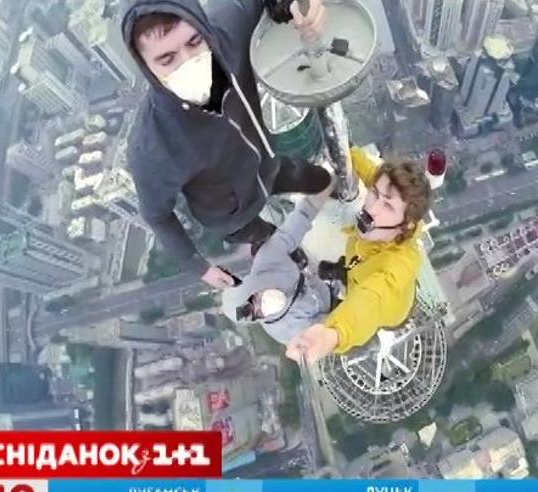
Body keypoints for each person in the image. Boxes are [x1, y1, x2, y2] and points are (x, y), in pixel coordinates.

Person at [121, 0, 331, 289]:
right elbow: (157, 215)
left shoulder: (226, 35)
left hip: (269, 164)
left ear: (204, 28)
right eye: (167, 59)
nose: (189, 62)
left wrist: (297, 5)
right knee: (268, 237)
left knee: (321, 180)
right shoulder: (152, 147)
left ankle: (334, 190)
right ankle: (289, 252)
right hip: (231, 214)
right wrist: (198, 266)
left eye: (195, 42)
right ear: (145, 67)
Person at [285, 147, 433, 364]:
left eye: (388, 206)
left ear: (405, 226)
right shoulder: (387, 203)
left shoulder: (397, 267)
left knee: (362, 311)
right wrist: (345, 150)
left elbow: (370, 300)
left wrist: (333, 334)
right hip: (359, 264)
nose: (372, 208)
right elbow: (371, 172)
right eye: (375, 194)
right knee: (350, 270)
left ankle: (344, 279)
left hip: (387, 308)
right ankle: (342, 271)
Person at [220, 180, 335, 345]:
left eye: (256, 299)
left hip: (321, 281)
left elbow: (301, 218)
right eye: (257, 313)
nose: (263, 305)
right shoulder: (288, 332)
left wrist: (327, 184)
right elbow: (333, 329)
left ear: (253, 286)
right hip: (334, 309)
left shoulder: (268, 260)